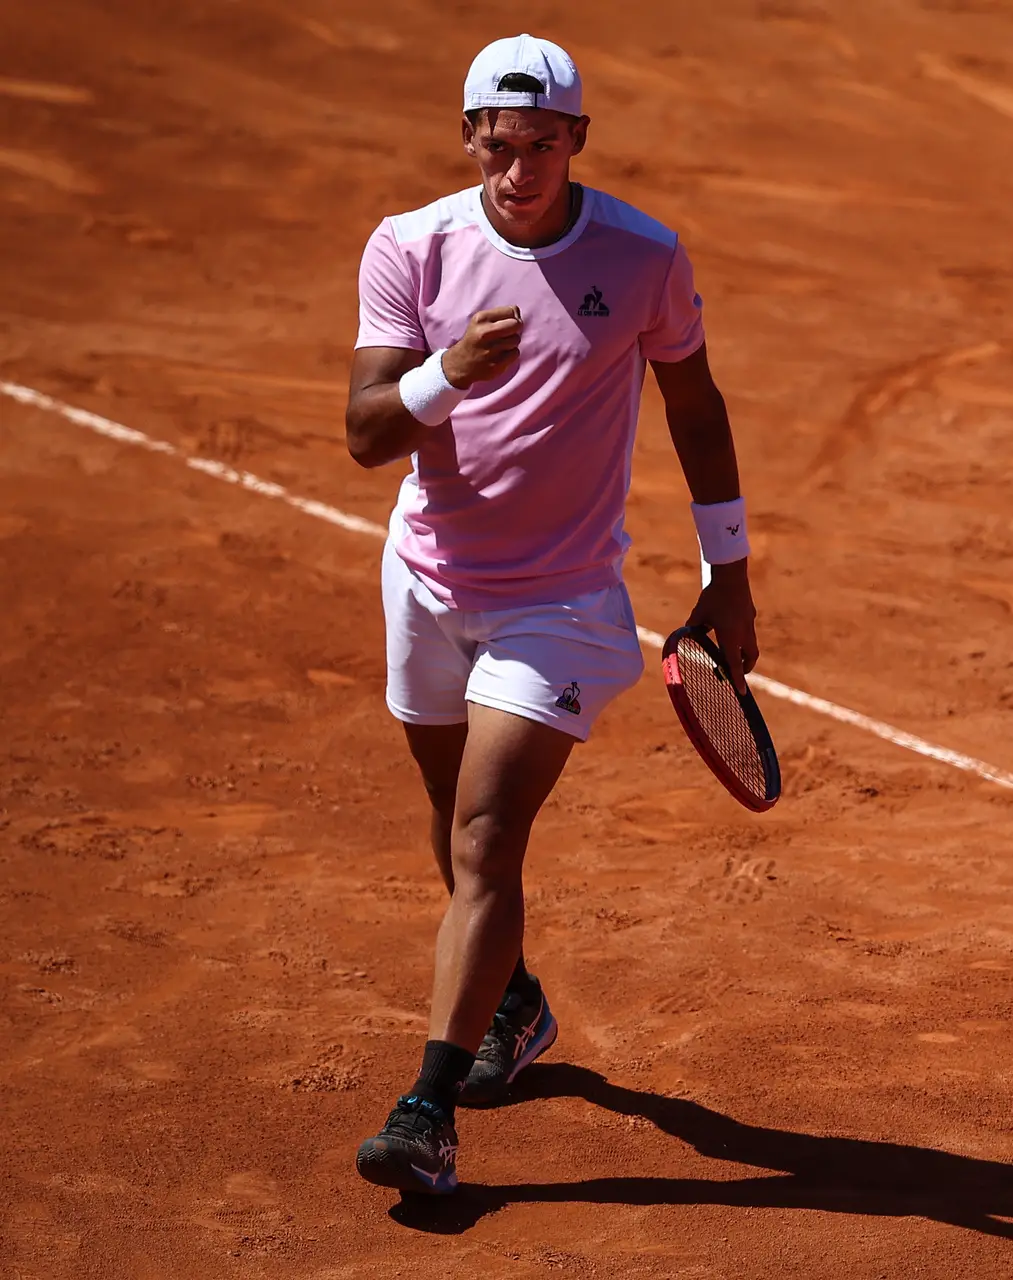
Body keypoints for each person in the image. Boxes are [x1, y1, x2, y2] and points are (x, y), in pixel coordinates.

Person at [343, 33, 759, 1195]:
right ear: (466, 135)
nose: (516, 168)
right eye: (496, 143)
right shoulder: (411, 248)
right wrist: (447, 371)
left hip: (565, 602)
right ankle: (513, 1002)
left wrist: (729, 572)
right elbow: (368, 431)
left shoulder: (641, 256)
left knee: (485, 833)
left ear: (577, 141)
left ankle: (427, 1108)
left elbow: (697, 404)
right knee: (446, 807)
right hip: (426, 578)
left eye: (540, 146)